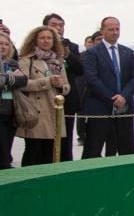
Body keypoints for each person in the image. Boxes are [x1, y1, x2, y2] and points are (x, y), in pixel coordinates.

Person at [82, 16, 134, 157]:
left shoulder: (128, 52)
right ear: (102, 31)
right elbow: (92, 79)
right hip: (100, 108)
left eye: (117, 29)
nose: (115, 32)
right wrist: (112, 98)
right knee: (93, 149)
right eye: (111, 29)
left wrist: (124, 97)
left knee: (127, 150)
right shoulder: (92, 53)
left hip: (124, 108)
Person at [15, 25, 72, 165]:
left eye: (49, 38)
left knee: (50, 152)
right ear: (35, 40)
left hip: (54, 112)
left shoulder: (58, 60)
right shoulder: (26, 60)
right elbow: (21, 84)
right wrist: (46, 82)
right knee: (33, 150)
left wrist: (61, 86)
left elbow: (67, 87)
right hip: (35, 111)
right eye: (42, 38)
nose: (46, 41)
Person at [43, 14, 83, 160]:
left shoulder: (71, 46)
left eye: (61, 25)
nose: (59, 28)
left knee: (66, 140)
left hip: (67, 100)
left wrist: (67, 53)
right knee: (46, 141)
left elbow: (80, 70)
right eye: (54, 25)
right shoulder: (38, 47)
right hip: (45, 101)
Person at [1, 32, 28, 168]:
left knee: (7, 147)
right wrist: (11, 78)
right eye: (0, 44)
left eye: (6, 44)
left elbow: (23, 80)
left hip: (12, 110)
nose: (3, 47)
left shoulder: (12, 63)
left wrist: (7, 78)